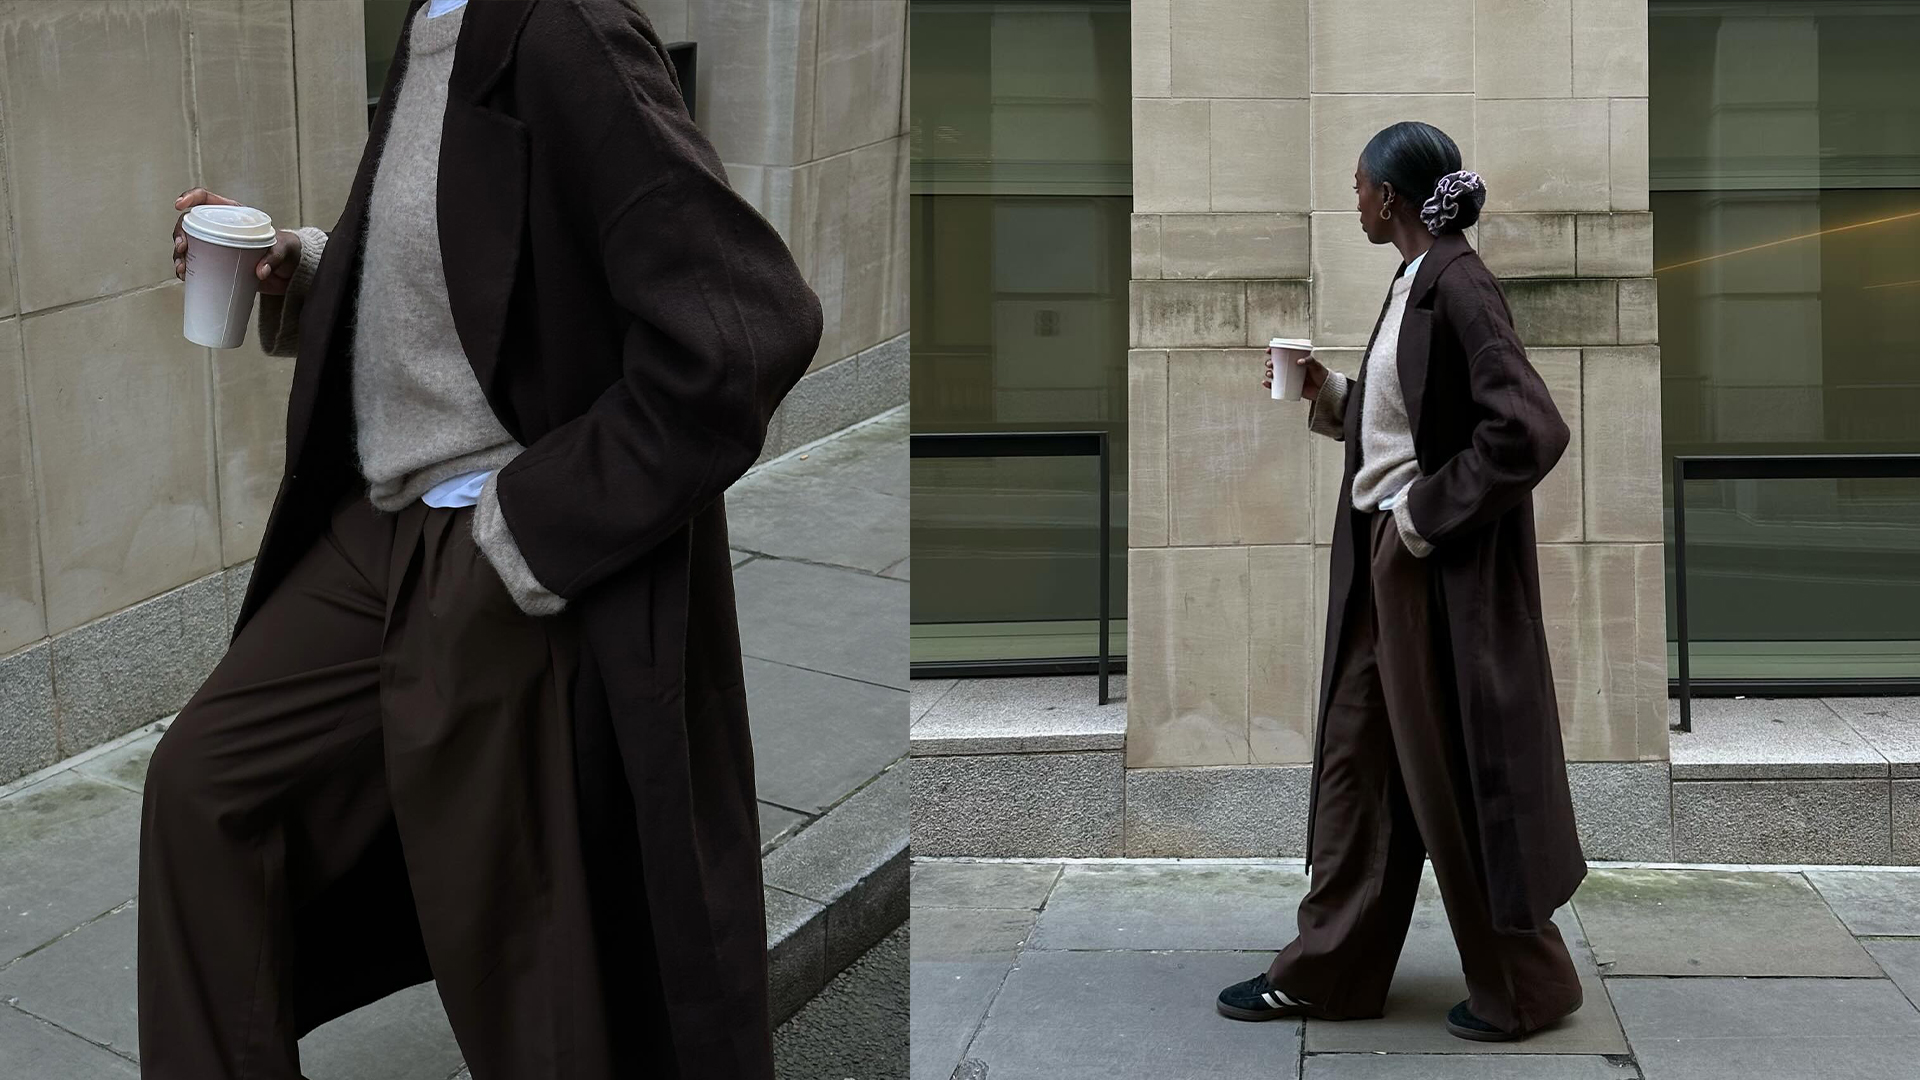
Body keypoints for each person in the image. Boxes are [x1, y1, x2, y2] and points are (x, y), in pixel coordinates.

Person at [142, 1, 823, 1077]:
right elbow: (463, 269)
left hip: (498, 554)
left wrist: (527, 529)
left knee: (521, 951)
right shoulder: (433, 21)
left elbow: (746, 324)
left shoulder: (565, 30)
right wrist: (303, 269)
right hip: (380, 533)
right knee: (205, 790)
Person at [1214, 121, 1586, 1042]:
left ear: (1389, 195)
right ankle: (1328, 970)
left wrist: (1420, 519)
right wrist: (1328, 396)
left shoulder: (1460, 284)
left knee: (1455, 775)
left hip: (1425, 576)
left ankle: (1527, 987)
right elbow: (1411, 422)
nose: (1352, 201)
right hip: (1390, 572)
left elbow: (1528, 431)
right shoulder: (1414, 278)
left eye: (1357, 187)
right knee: (1356, 764)